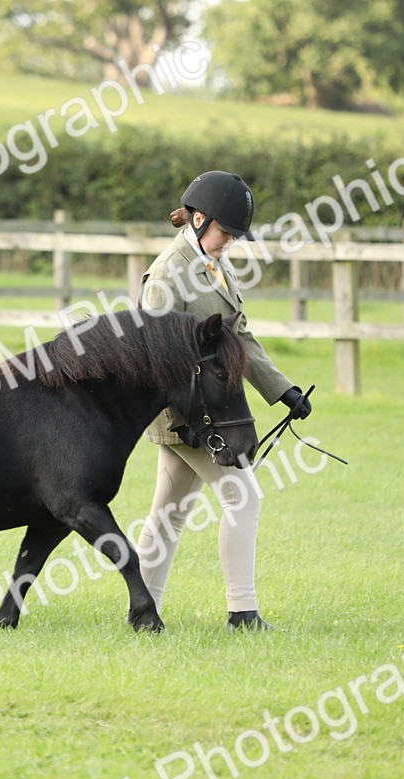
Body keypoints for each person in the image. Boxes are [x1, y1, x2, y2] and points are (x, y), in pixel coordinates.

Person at [134, 171, 311, 630]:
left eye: (234, 235)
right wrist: (190, 412)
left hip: (212, 408)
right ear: (197, 218)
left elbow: (239, 337)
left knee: (168, 512)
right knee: (244, 497)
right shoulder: (168, 274)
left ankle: (142, 610)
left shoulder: (215, 262)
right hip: (188, 414)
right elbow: (154, 354)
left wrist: (281, 390)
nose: (231, 241)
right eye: (225, 231)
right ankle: (242, 612)